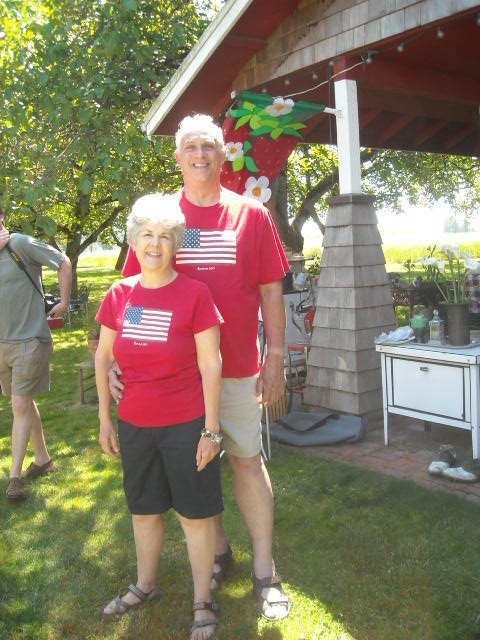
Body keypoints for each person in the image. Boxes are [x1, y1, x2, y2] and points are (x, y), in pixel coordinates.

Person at [116, 114, 291, 620]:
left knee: (245, 461)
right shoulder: (161, 217)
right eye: (190, 147)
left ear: (223, 154)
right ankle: (218, 553)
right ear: (177, 157)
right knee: (197, 466)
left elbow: (271, 291)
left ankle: (265, 572)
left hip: (234, 369)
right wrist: (115, 363)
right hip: (173, 380)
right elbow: (133, 293)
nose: (200, 155)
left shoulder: (250, 215)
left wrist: (275, 356)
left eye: (209, 146)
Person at [95, 194, 223, 640]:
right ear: (134, 241)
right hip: (134, 423)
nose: (155, 244)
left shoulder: (195, 294)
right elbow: (102, 357)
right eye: (147, 234)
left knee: (194, 515)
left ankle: (202, 601)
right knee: (144, 510)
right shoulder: (119, 294)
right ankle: (145, 585)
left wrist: (211, 430)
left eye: (165, 236)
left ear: (175, 244)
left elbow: (211, 364)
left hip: (186, 424)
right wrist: (104, 417)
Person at [0, 206, 72, 501]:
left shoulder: (20, 244)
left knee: (19, 404)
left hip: (30, 338)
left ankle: (14, 479)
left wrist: (64, 302)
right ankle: (43, 460)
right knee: (24, 402)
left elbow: (63, 262)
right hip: (2, 343)